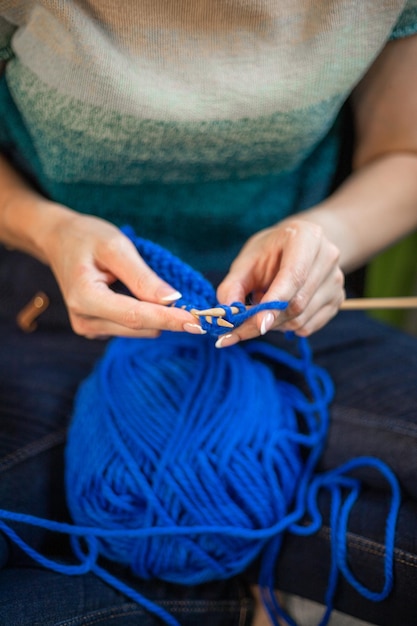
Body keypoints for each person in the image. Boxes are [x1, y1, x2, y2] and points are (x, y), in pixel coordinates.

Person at [0, 1, 417, 625]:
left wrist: (325, 233)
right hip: (62, 304)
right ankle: (227, 580)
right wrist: (49, 229)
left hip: (287, 319)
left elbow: (404, 153)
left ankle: (173, 570)